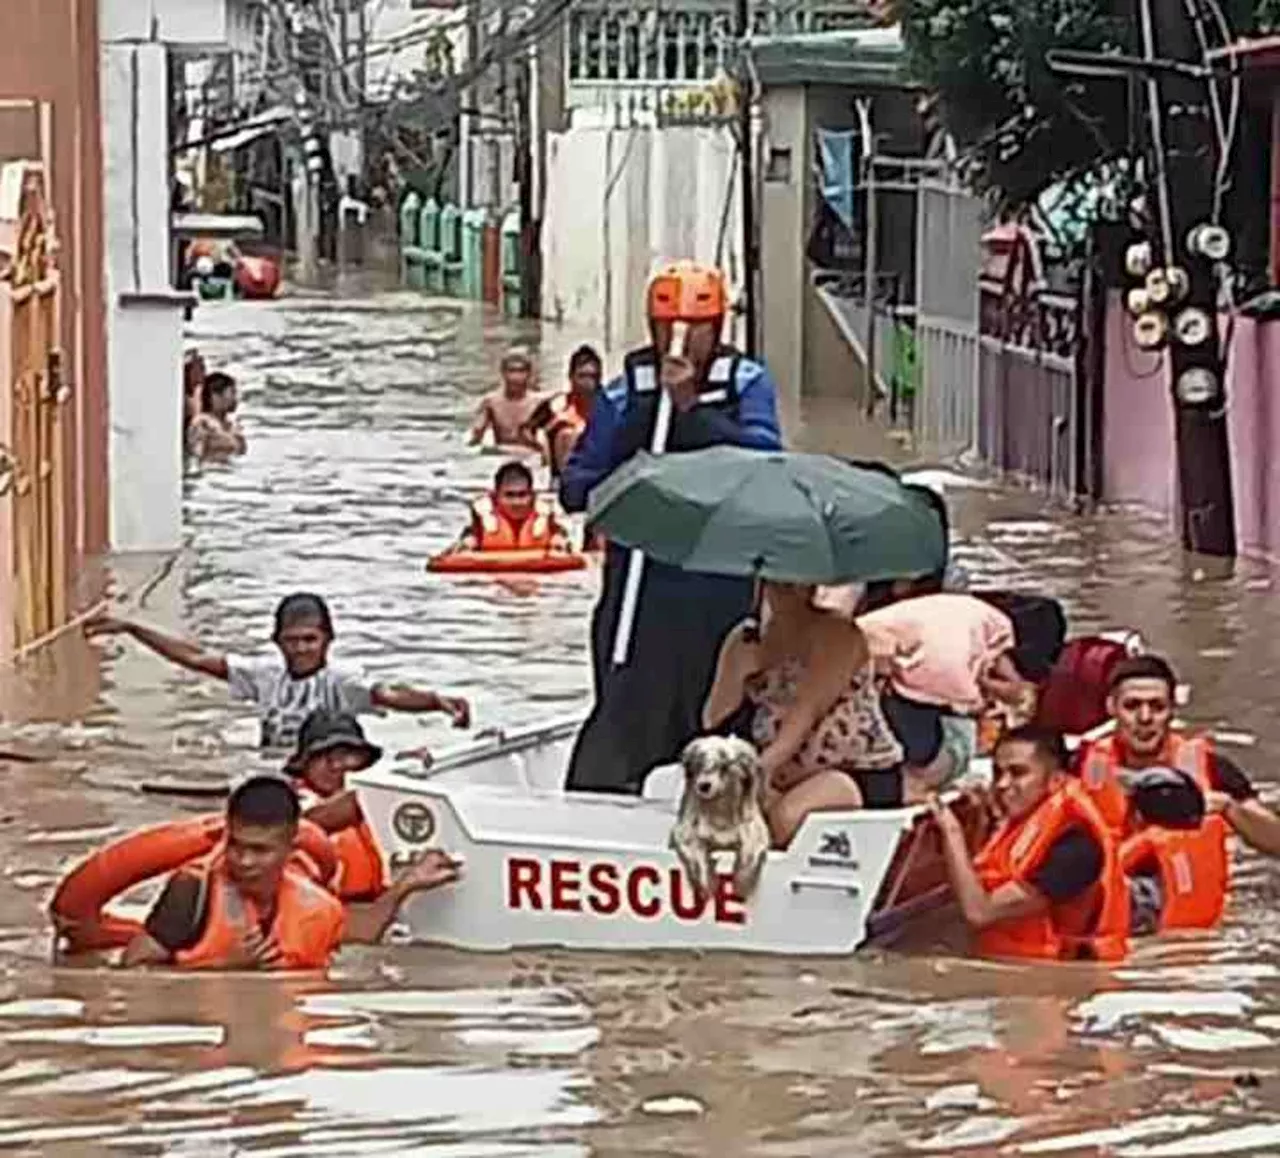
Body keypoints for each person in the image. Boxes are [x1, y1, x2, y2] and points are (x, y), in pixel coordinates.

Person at [560, 261, 783, 794]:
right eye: (666, 327)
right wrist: (629, 463)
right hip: (642, 582)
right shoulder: (624, 394)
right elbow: (578, 486)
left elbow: (765, 463)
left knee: (716, 709)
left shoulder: (746, 383)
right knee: (626, 703)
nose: (678, 340)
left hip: (718, 582)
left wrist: (690, 412)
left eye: (693, 327)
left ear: (717, 328)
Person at [120, 774, 461, 970]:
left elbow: (363, 930)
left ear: (291, 846)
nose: (243, 860)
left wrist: (406, 886)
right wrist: (221, 967)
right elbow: (128, 974)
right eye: (236, 845)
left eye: (260, 850)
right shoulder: (192, 890)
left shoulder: (314, 904)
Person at [85, 592, 471, 751]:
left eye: (310, 640)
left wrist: (437, 701)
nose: (301, 649)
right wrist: (133, 628)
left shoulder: (341, 682)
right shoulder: (265, 675)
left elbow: (389, 694)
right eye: (292, 640)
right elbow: (196, 658)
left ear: (327, 640)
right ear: (277, 641)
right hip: (273, 766)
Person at [1076, 654, 1280, 931]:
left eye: (1157, 707)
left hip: (1187, 921)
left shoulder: (1212, 768)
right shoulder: (1076, 767)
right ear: (1112, 707)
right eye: (1132, 706)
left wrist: (1229, 808)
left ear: (1172, 710)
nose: (1145, 718)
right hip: (1106, 909)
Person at [703, 581, 904, 846]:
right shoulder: (746, 638)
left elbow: (807, 713)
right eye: (781, 583)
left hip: (852, 770)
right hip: (776, 774)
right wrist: (736, 674)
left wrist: (758, 772)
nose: (793, 591)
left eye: (799, 584)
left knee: (784, 819)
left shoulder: (838, 633)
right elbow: (712, 720)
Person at [930, 725, 1130, 962]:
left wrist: (952, 831)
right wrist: (981, 823)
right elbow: (985, 877)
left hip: (1057, 980)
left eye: (1018, 773)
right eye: (998, 773)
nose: (1002, 784)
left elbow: (979, 911)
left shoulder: (1077, 848)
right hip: (1012, 967)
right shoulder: (1021, 823)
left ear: (1056, 779)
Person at [285, 709, 388, 902]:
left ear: (364, 759)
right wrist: (382, 789)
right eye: (323, 756)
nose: (336, 765)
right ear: (304, 764)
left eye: (347, 754)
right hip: (329, 909)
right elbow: (309, 823)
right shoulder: (292, 802)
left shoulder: (380, 800)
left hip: (374, 902)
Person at [448, 461, 572, 554]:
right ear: (495, 496)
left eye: (522, 495)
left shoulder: (546, 516)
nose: (516, 503)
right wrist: (468, 544)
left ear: (532, 496)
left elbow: (562, 536)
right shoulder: (481, 521)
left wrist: (560, 542)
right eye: (509, 495)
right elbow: (468, 537)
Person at [522, 345, 603, 476]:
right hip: (559, 472)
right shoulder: (556, 406)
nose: (588, 382)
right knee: (566, 434)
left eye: (593, 377)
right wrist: (542, 442)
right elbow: (526, 431)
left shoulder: (608, 407)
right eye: (582, 376)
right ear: (571, 377)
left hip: (594, 470)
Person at [469, 347, 546, 450]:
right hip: (502, 454)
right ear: (503, 373)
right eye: (511, 371)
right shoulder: (491, 402)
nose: (515, 377)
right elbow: (475, 437)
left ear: (529, 374)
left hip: (530, 454)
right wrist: (477, 431)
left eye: (521, 371)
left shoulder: (539, 402)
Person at [187, 371, 247, 459]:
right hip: (210, 469)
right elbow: (197, 453)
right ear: (215, 395)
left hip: (229, 469)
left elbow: (241, 453)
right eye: (232, 393)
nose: (236, 399)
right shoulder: (203, 422)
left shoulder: (232, 424)